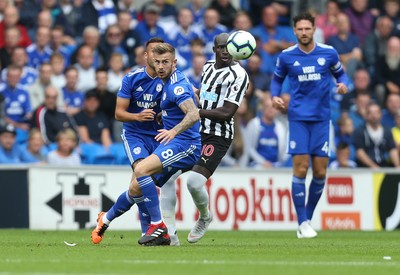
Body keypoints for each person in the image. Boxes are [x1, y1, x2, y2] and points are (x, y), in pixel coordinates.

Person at [91, 38, 183, 246]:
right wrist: (138, 116)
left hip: (160, 136)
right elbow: (118, 113)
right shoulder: (132, 78)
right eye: (153, 53)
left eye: (162, 57)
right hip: (135, 135)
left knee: (136, 187)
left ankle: (105, 218)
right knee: (143, 176)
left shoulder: (170, 79)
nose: (158, 59)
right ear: (146, 56)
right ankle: (151, 229)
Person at [161, 33, 249, 243]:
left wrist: (196, 113)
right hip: (196, 131)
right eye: (220, 47)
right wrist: (194, 94)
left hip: (218, 135)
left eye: (228, 47)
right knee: (166, 178)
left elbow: (227, 111)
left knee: (193, 182)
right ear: (214, 49)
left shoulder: (239, 74)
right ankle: (170, 234)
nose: (225, 51)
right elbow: (207, 96)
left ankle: (205, 216)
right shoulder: (208, 67)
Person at [270, 12, 349, 239]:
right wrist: (274, 97)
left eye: (307, 29)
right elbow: (276, 81)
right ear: (294, 31)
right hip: (298, 119)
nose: (304, 33)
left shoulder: (328, 53)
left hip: (322, 119)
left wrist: (343, 85)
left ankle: (307, 220)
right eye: (300, 29)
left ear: (314, 29)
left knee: (321, 171)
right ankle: (302, 221)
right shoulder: (286, 57)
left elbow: (342, 76)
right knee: (301, 168)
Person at [135, 42, 201, 246]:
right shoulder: (172, 80)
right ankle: (168, 235)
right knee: (137, 186)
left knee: (141, 171)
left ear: (174, 62)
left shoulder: (175, 85)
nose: (161, 66)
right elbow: (193, 96)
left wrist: (173, 130)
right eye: (157, 62)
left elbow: (193, 113)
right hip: (177, 143)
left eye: (165, 62)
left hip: (186, 144)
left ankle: (158, 226)